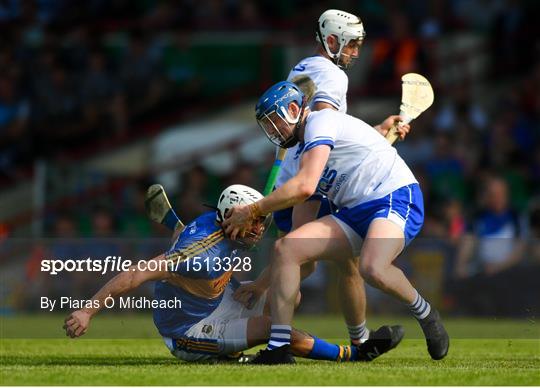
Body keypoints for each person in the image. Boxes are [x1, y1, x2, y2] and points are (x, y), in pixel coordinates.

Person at [223, 82, 449, 364]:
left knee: (371, 267)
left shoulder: (321, 121)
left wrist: (253, 210)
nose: (273, 132)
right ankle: (278, 349)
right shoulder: (298, 159)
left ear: (294, 110)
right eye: (268, 127)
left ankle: (426, 314)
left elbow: (305, 187)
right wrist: (260, 284)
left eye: (275, 122)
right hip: (354, 211)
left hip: (394, 195)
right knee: (287, 248)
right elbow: (302, 247)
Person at [63, 184, 400, 363]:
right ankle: (351, 355)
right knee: (273, 328)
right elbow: (137, 273)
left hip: (221, 298)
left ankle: (249, 346)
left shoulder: (223, 225)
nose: (258, 228)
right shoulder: (199, 256)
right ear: (230, 218)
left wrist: (258, 285)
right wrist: (88, 309)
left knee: (289, 293)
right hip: (188, 330)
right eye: (253, 221)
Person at [234, 9, 410, 347]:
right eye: (352, 45)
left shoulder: (302, 67)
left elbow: (324, 132)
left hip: (295, 172)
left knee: (306, 259)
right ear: (332, 41)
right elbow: (324, 131)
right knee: (314, 259)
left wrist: (375, 132)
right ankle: (349, 342)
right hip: (311, 179)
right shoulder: (333, 76)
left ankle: (264, 325)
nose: (357, 53)